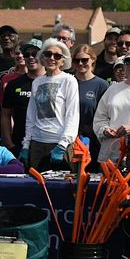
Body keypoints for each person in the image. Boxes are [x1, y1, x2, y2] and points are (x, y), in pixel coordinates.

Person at [22, 39, 80, 172]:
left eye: (57, 56)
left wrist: (63, 144)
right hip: (37, 143)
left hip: (59, 143)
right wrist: (26, 145)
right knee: (37, 189)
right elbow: (31, 115)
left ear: (63, 61)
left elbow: (73, 114)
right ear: (42, 57)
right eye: (48, 54)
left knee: (62, 188)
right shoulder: (37, 82)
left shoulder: (69, 81)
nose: (52, 58)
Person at [91, 48, 130, 164]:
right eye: (128, 62)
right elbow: (99, 119)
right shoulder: (113, 88)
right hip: (109, 156)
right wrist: (105, 130)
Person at [0, 40, 42, 152]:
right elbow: (5, 115)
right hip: (19, 143)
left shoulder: (52, 83)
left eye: (35, 54)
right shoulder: (14, 84)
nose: (31, 57)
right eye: (27, 55)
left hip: (45, 143)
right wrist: (9, 144)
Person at [71, 43, 109, 166]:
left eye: (84, 60)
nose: (81, 63)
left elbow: (105, 115)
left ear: (93, 60)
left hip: (92, 140)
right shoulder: (68, 82)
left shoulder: (101, 85)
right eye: (77, 60)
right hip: (70, 138)